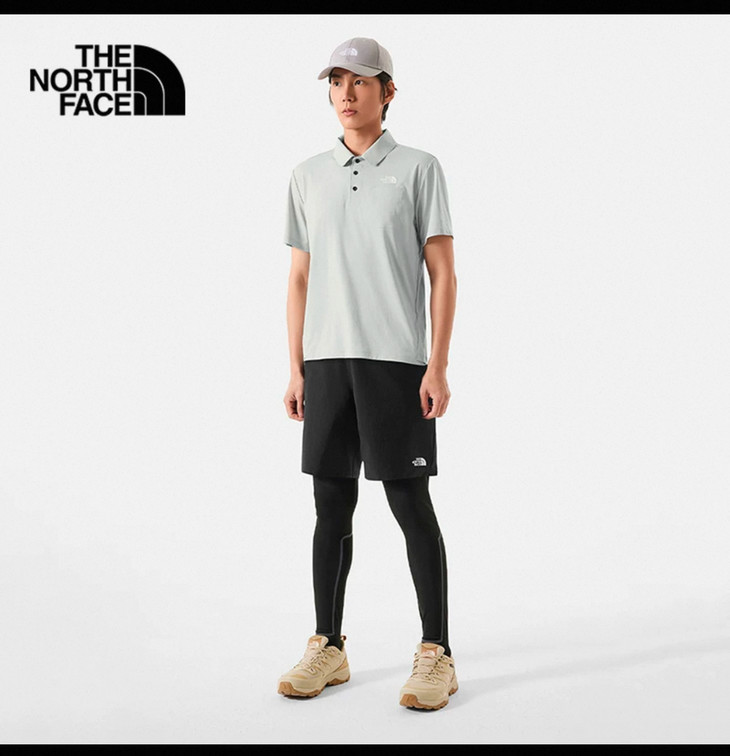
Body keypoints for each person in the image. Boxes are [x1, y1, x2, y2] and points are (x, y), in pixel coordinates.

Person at [277, 37, 458, 711]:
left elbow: (442, 273)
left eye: (360, 80)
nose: (346, 93)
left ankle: (436, 652)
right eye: (336, 81)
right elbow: (299, 277)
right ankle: (328, 645)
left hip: (395, 363)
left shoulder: (418, 168)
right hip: (326, 362)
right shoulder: (307, 175)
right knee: (331, 506)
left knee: (410, 504)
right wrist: (295, 367)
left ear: (388, 91)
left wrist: (437, 363)